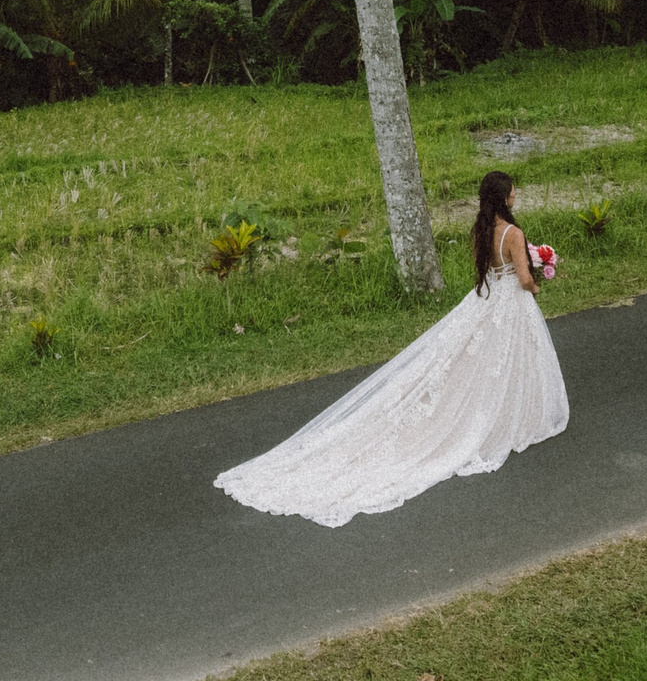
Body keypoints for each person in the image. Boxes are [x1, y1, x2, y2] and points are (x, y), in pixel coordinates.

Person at [214, 170, 569, 526]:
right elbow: (522, 279)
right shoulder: (513, 233)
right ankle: (511, 415)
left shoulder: (480, 230)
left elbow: (487, 269)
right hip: (509, 305)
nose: (516, 195)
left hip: (485, 300)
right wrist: (539, 280)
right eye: (513, 191)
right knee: (508, 359)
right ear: (504, 196)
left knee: (478, 362)